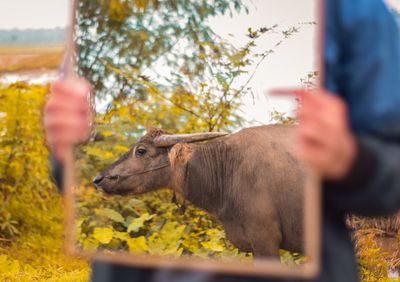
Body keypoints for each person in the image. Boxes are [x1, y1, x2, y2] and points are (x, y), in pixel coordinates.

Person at [44, 0, 400, 281]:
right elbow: (62, 175)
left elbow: (390, 174)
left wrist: (354, 160)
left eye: (141, 154)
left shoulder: (355, 10)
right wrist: (61, 148)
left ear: (178, 155)